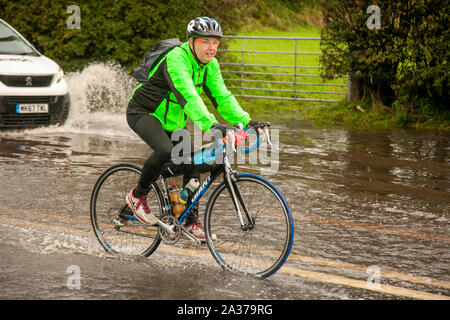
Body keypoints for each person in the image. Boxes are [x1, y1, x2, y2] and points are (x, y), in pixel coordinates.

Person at [126, 16, 264, 241]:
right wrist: (212, 125)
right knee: (164, 150)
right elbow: (189, 97)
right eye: (205, 42)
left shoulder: (211, 66)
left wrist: (246, 121)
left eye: (216, 42)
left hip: (174, 123)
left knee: (193, 164)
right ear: (191, 42)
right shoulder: (176, 59)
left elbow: (222, 97)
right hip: (144, 113)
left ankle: (190, 222)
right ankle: (137, 196)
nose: (212, 48)